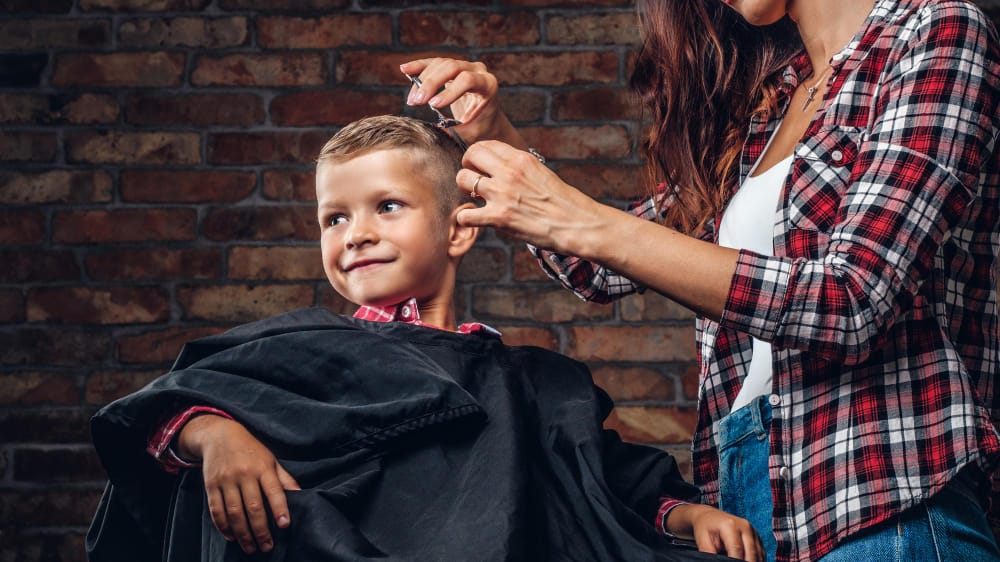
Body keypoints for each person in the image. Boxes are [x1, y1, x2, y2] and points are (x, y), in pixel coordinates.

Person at [400, 0, 1000, 560]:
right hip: (748, 490)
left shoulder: (934, 32)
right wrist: (492, 135)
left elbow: (851, 300)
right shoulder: (769, 105)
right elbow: (594, 265)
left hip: (881, 496)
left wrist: (585, 222)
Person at [86, 115, 762, 562]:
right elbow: (161, 410)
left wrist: (686, 517)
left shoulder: (532, 383)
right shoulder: (294, 353)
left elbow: (607, 481)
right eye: (334, 218)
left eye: (387, 207)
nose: (356, 233)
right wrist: (214, 435)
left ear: (459, 229)